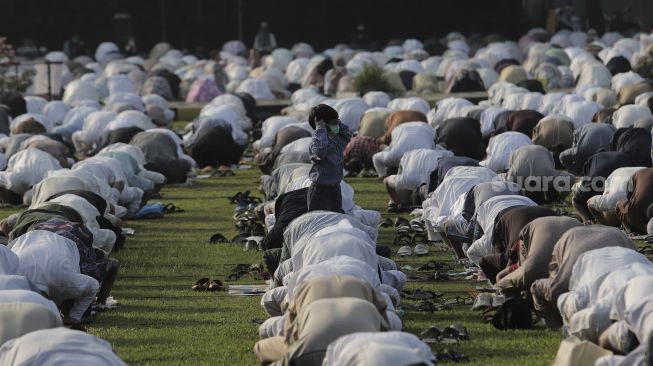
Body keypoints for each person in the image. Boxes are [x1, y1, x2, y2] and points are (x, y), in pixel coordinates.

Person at [307, 104, 352, 212]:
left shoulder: (337, 140)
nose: (336, 125)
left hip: (335, 188)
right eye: (333, 123)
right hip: (319, 190)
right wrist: (320, 130)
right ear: (322, 125)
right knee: (316, 218)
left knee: (335, 217)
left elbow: (347, 135)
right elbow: (320, 152)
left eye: (337, 122)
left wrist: (338, 122)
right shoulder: (316, 142)